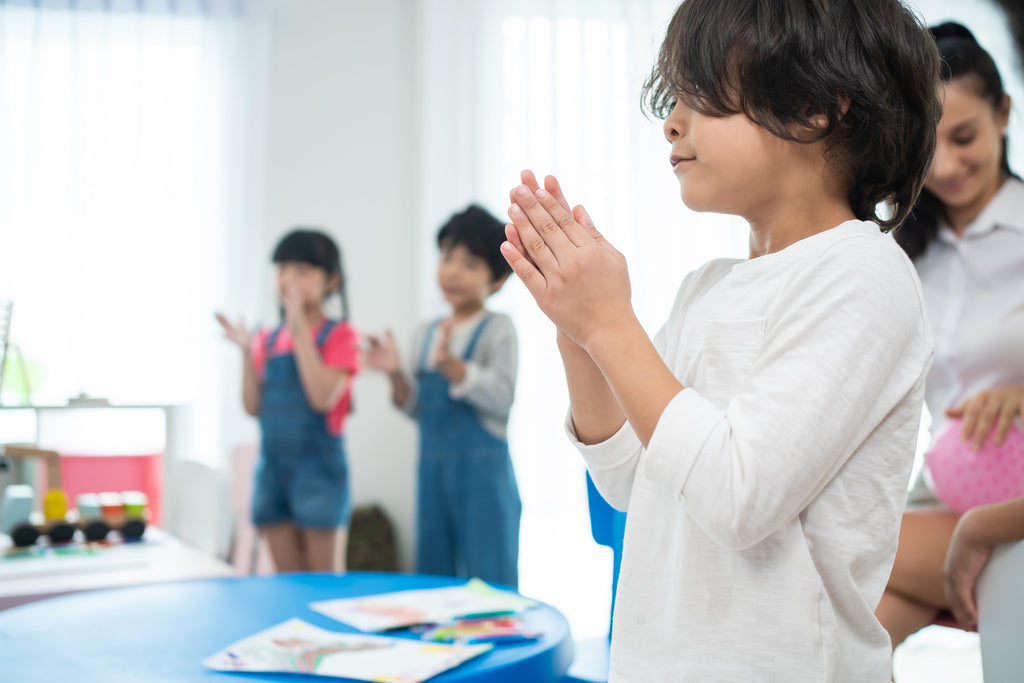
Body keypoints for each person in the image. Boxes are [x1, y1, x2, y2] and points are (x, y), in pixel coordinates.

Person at [500, 0, 942, 679]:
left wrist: (609, 324)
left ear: (814, 106)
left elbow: (739, 495)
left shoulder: (863, 273)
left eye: (702, 97)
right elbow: (628, 481)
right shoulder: (707, 286)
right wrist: (578, 334)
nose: (672, 121)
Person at [878, 22, 1024, 653]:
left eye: (964, 138)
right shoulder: (905, 254)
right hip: (943, 488)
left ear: (1004, 114)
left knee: (832, 557)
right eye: (927, 148)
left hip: (1011, 499)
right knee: (837, 640)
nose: (946, 166)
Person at [365, 205, 521, 587]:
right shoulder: (425, 332)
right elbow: (417, 407)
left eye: (469, 263)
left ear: (497, 279)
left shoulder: (498, 329)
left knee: (492, 580)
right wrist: (395, 375)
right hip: (432, 476)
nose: (452, 270)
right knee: (433, 580)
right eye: (447, 257)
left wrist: (454, 367)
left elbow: (502, 398)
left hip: (484, 481)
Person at [216, 228, 360, 573]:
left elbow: (322, 397)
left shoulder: (340, 335)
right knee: (287, 582)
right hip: (272, 471)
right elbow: (253, 407)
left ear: (331, 281)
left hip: (319, 474)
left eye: (303, 271)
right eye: (282, 269)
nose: (288, 279)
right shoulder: (265, 339)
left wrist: (297, 327)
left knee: (324, 584)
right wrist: (244, 353)